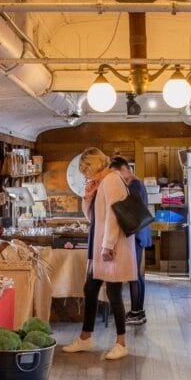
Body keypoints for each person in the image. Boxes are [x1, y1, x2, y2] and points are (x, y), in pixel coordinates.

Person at [62, 148, 137, 360]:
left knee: (114, 293)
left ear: (94, 164)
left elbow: (114, 215)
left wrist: (108, 245)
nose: (84, 173)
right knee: (90, 288)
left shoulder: (112, 179)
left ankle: (121, 342)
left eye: (85, 168)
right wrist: (87, 196)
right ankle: (86, 338)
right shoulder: (100, 182)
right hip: (99, 243)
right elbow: (91, 217)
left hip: (112, 246)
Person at [109, 156, 150, 325]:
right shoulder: (134, 184)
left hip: (136, 233)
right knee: (136, 275)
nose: (115, 177)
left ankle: (137, 312)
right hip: (138, 232)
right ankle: (138, 311)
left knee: (134, 275)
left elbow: (129, 210)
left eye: (116, 173)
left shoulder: (134, 184)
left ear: (125, 169)